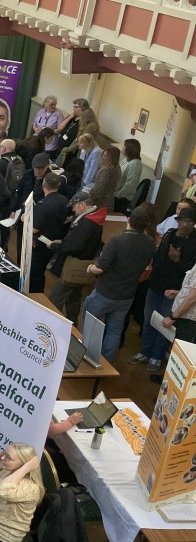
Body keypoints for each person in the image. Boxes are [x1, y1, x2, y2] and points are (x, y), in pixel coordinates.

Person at [83, 205, 155, 361]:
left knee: (90, 325)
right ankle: (106, 362)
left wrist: (89, 268)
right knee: (114, 331)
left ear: (129, 220)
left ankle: (85, 358)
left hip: (105, 292)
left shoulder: (117, 241)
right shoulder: (149, 242)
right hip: (127, 295)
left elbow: (99, 268)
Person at [129, 207, 196, 373]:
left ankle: (156, 357)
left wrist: (177, 260)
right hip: (156, 284)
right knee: (148, 320)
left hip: (174, 290)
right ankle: (145, 351)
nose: (184, 225)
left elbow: (190, 273)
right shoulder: (169, 234)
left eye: (189, 222)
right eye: (182, 221)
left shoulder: (194, 242)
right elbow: (158, 255)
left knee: (164, 326)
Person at [48, 191, 106, 325]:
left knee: (55, 297)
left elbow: (74, 245)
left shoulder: (86, 223)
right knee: (74, 295)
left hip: (74, 265)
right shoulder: (95, 219)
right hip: (83, 267)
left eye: (74, 206)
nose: (73, 210)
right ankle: (72, 321)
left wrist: (56, 246)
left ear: (82, 205)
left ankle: (50, 323)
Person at [0, 444, 44, 542]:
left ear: (23, 464)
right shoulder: (8, 469)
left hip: (1, 536)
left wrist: (25, 468)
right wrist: (5, 452)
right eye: (5, 455)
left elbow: (2, 490)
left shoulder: (30, 487)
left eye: (9, 458)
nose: (3, 458)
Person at [29, 172, 72, 290]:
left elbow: (34, 229)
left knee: (35, 272)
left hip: (40, 243)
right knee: (41, 270)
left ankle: (35, 295)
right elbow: (67, 220)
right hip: (56, 241)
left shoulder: (42, 205)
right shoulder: (65, 201)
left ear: (43, 185)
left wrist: (25, 220)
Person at [115, 138, 143, 212]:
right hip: (117, 193)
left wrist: (117, 195)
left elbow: (130, 185)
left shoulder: (135, 164)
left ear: (129, 149)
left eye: (124, 146)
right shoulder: (127, 159)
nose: (122, 148)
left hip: (122, 198)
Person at [89, 145, 121, 211]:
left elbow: (99, 188)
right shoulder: (116, 168)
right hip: (108, 201)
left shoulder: (107, 170)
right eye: (103, 155)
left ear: (112, 158)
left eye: (106, 156)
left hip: (101, 202)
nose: (103, 157)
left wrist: (89, 197)